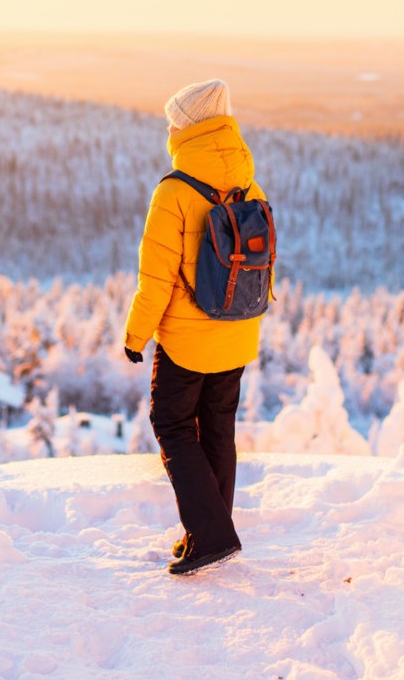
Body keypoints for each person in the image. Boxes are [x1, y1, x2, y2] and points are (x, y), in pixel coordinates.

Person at [124, 78, 266, 576]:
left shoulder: (176, 191)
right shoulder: (249, 183)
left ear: (189, 126)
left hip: (186, 337)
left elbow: (156, 279)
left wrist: (135, 335)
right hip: (238, 331)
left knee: (173, 424)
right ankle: (210, 531)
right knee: (218, 429)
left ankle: (210, 535)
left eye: (175, 119)